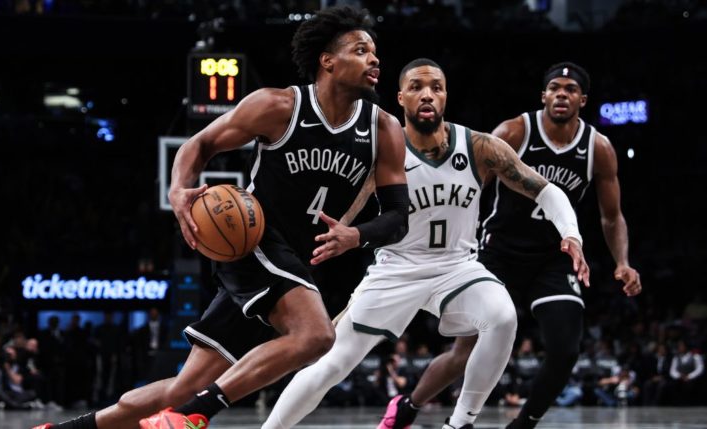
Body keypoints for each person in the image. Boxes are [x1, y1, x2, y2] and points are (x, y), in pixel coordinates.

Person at [34, 6, 408, 429]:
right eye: (361, 51)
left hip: (294, 266)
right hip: (251, 242)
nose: (375, 60)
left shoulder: (383, 129)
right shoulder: (278, 105)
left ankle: (66, 428)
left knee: (181, 386)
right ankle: (197, 414)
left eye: (375, 52)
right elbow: (200, 144)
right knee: (317, 336)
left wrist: (356, 236)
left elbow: (398, 217)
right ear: (328, 60)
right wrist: (178, 190)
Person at [262, 58, 588, 429]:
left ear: (446, 95)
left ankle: (460, 423)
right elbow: (344, 215)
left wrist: (571, 235)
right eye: (416, 87)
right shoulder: (383, 150)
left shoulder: (480, 146)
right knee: (333, 363)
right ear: (401, 97)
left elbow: (545, 190)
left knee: (501, 316)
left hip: (457, 266)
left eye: (436, 86)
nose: (427, 94)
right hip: (397, 268)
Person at [379, 61, 643, 429]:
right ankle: (409, 406)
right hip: (499, 249)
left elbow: (611, 217)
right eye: (554, 88)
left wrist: (622, 262)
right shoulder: (516, 130)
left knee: (566, 350)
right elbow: (469, 179)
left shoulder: (598, 148)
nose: (561, 94)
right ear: (543, 95)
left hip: (554, 257)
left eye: (569, 89)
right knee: (464, 350)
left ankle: (524, 423)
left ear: (582, 99)